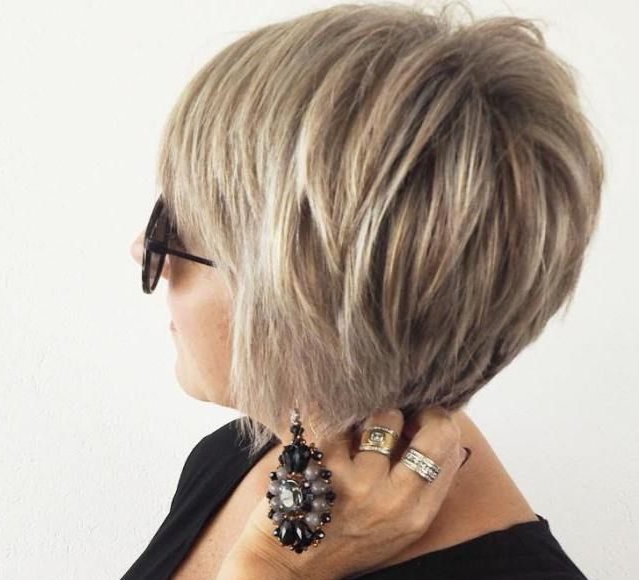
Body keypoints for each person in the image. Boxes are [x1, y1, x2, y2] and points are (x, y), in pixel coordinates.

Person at [122, 2, 603, 578]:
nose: (143, 251)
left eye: (178, 229)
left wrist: (274, 568)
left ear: (302, 303)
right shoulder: (236, 458)